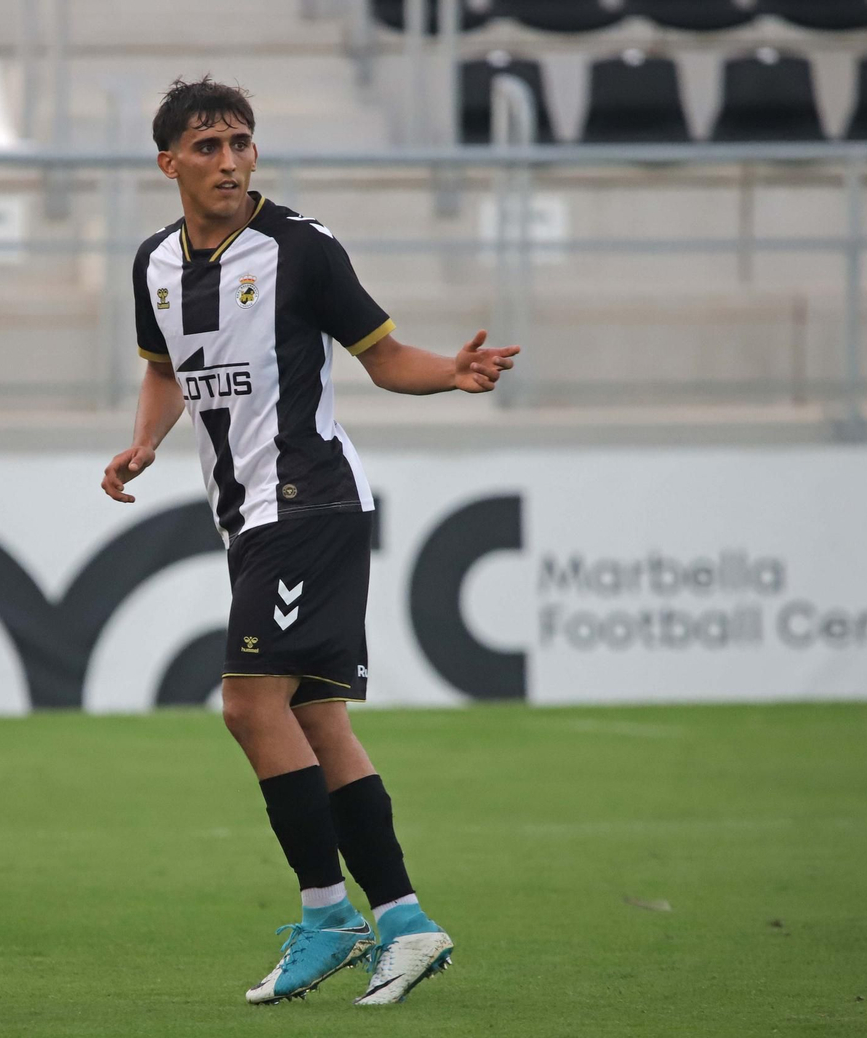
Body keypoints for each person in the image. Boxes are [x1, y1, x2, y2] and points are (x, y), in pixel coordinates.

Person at [100, 78, 519, 1007]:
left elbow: (383, 358)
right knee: (318, 721)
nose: (229, 162)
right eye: (207, 147)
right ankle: (405, 923)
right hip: (248, 516)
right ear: (168, 163)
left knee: (249, 705)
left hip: (308, 500)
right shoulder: (153, 263)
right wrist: (144, 442)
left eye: (241, 143)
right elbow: (166, 369)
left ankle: (328, 916)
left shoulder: (300, 246)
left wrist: (450, 371)